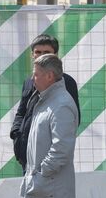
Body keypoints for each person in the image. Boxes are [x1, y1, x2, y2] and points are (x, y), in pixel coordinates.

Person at [20, 54, 78, 198]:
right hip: (40, 186)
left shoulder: (61, 104)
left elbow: (61, 149)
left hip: (50, 187)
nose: (32, 78)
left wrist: (42, 174)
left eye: (36, 74)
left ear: (50, 76)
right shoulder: (44, 100)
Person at [11, 34, 80, 172]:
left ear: (55, 55)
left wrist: (47, 166)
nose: (41, 56)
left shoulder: (67, 83)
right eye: (38, 52)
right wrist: (17, 137)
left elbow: (71, 121)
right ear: (32, 55)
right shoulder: (29, 82)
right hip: (28, 158)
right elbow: (21, 113)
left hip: (49, 162)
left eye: (46, 52)